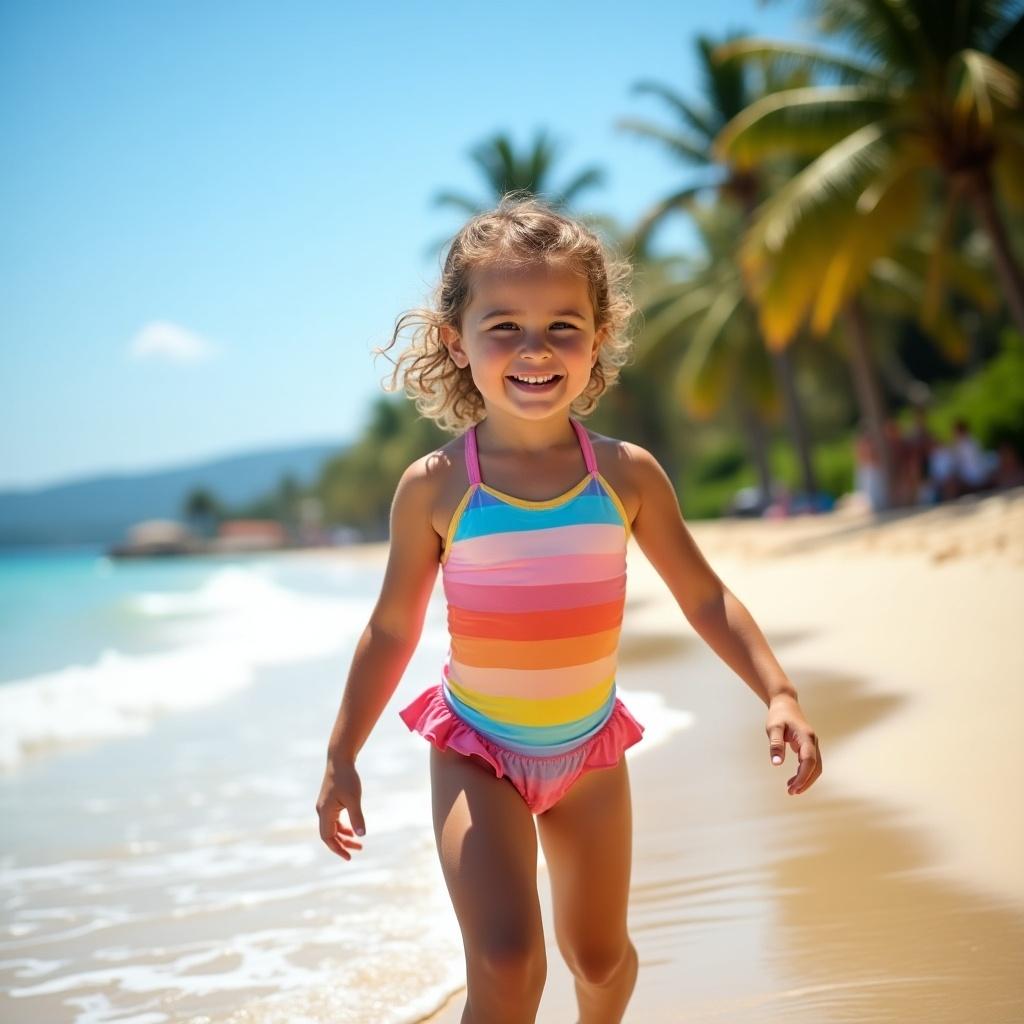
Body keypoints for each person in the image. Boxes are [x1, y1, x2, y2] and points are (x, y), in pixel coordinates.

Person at [315, 195, 822, 1023]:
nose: (535, 349)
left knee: (599, 959)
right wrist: (343, 755)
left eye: (563, 325)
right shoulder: (439, 485)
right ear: (457, 340)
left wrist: (779, 691)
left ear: (598, 336)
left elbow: (703, 595)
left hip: (588, 756)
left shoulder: (625, 475)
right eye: (504, 325)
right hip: (478, 750)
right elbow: (392, 629)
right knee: (509, 963)